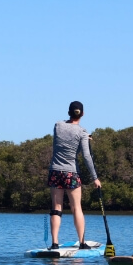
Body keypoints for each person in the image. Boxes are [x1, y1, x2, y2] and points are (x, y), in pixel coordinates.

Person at [47, 101, 101, 250]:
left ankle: (54, 243)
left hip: (55, 171)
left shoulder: (58, 125)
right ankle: (82, 243)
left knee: (56, 208)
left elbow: (65, 138)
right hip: (71, 172)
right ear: (82, 114)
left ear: (68, 112)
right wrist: (95, 177)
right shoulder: (82, 132)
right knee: (76, 207)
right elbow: (86, 156)